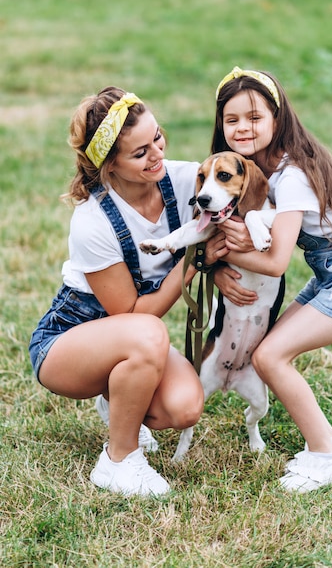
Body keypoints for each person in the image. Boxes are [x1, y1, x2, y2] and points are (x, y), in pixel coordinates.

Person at [210, 66, 332, 492]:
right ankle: (327, 443)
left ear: (278, 118)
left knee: (270, 356)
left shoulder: (292, 175)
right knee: (267, 349)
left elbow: (274, 263)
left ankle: (327, 454)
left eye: (254, 118)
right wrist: (218, 263)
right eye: (231, 119)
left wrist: (219, 254)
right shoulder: (260, 168)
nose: (242, 129)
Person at [29, 86, 214, 497]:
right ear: (109, 165)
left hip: (134, 340)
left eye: (158, 137)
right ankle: (118, 460)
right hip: (69, 340)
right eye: (140, 153)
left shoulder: (186, 181)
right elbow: (132, 312)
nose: (158, 154)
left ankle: (119, 397)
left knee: (184, 407)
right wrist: (192, 260)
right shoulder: (92, 221)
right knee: (148, 333)